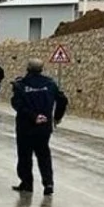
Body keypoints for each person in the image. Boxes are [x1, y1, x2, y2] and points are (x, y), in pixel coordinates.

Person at [11, 59, 68, 196]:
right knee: (44, 155)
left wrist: (33, 116)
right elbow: (63, 100)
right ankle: (48, 183)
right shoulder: (50, 84)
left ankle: (27, 184)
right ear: (42, 69)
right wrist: (57, 117)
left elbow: (17, 105)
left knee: (25, 155)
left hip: (26, 127)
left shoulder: (21, 84)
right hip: (44, 127)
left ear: (28, 68)